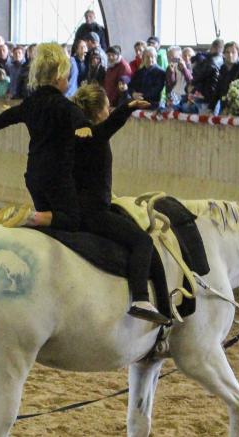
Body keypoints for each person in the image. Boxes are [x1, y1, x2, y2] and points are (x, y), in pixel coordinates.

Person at [69, 85, 169, 325]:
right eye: (107, 107)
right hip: (94, 213)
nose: (109, 110)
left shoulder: (73, 134)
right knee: (143, 241)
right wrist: (128, 107)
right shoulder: (93, 135)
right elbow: (112, 124)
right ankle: (140, 298)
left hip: (75, 207)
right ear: (98, 112)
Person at [0, 42, 89, 231]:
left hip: (33, 176)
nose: (68, 81)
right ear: (57, 79)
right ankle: (31, 217)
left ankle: (32, 218)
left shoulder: (30, 103)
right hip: (57, 176)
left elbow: (9, 116)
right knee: (73, 220)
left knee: (50, 223)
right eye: (66, 78)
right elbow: (84, 127)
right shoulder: (66, 108)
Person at [189, 39, 224, 115]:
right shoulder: (221, 59)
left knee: (205, 117)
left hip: (208, 92)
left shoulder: (211, 61)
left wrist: (192, 82)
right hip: (215, 93)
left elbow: (200, 75)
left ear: (213, 48)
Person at [165, 46, 192, 112]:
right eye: (168, 57)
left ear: (180, 56)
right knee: (169, 109)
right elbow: (170, 84)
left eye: (173, 57)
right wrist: (171, 72)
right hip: (174, 95)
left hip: (185, 96)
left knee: (184, 108)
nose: (171, 59)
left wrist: (184, 69)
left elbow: (190, 81)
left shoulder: (190, 66)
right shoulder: (169, 67)